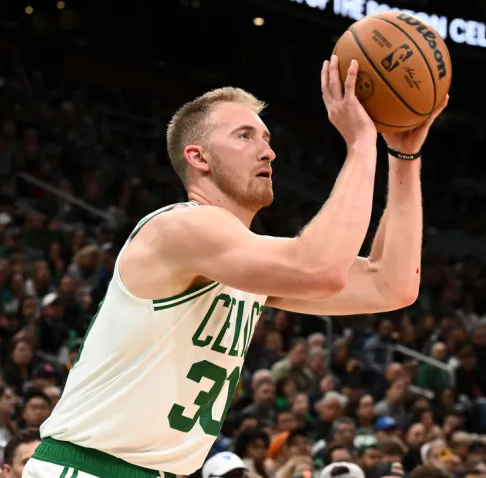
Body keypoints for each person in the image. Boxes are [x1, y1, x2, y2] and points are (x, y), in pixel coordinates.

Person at [27, 55, 447, 478]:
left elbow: (392, 285)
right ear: (199, 158)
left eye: (265, 137)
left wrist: (403, 156)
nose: (268, 151)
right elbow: (322, 268)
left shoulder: (243, 261)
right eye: (245, 136)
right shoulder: (180, 227)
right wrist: (360, 145)